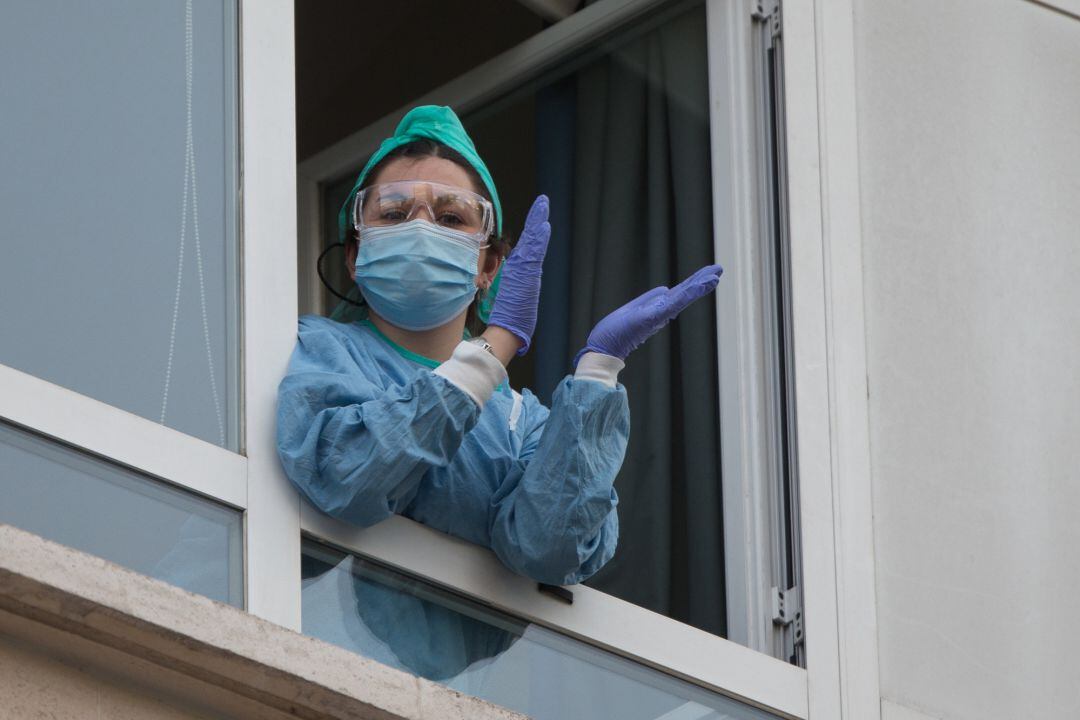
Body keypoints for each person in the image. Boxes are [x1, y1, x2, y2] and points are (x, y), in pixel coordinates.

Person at [276, 105, 722, 590]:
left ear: (490, 266)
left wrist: (598, 372)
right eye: (394, 214)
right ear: (355, 256)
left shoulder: (524, 423)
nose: (421, 228)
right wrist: (496, 347)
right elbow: (346, 479)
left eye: (450, 217)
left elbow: (547, 551)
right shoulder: (313, 349)